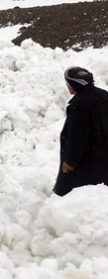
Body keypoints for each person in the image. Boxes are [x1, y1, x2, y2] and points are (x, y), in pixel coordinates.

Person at [53, 66, 108, 196]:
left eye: (68, 83)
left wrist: (70, 161)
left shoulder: (79, 104)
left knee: (76, 192)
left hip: (87, 157)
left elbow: (77, 135)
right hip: (104, 154)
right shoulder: (104, 95)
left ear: (73, 84)